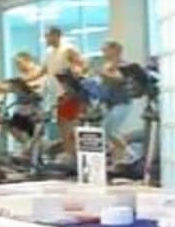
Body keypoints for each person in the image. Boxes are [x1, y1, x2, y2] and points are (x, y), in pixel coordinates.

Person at [29, 27, 86, 159]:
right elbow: (42, 71)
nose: (46, 39)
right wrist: (24, 81)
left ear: (56, 35)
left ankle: (74, 155)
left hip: (70, 94)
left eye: (48, 36)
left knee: (70, 126)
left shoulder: (68, 49)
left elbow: (82, 64)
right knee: (62, 125)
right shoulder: (49, 52)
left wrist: (77, 72)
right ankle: (69, 154)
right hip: (58, 95)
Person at [99, 40, 135, 163]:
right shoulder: (107, 66)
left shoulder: (124, 65)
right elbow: (105, 82)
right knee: (106, 131)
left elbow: (121, 79)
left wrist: (105, 74)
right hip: (110, 103)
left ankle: (130, 153)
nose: (103, 53)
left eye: (105, 50)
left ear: (114, 50)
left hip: (122, 102)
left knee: (110, 131)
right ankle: (118, 158)